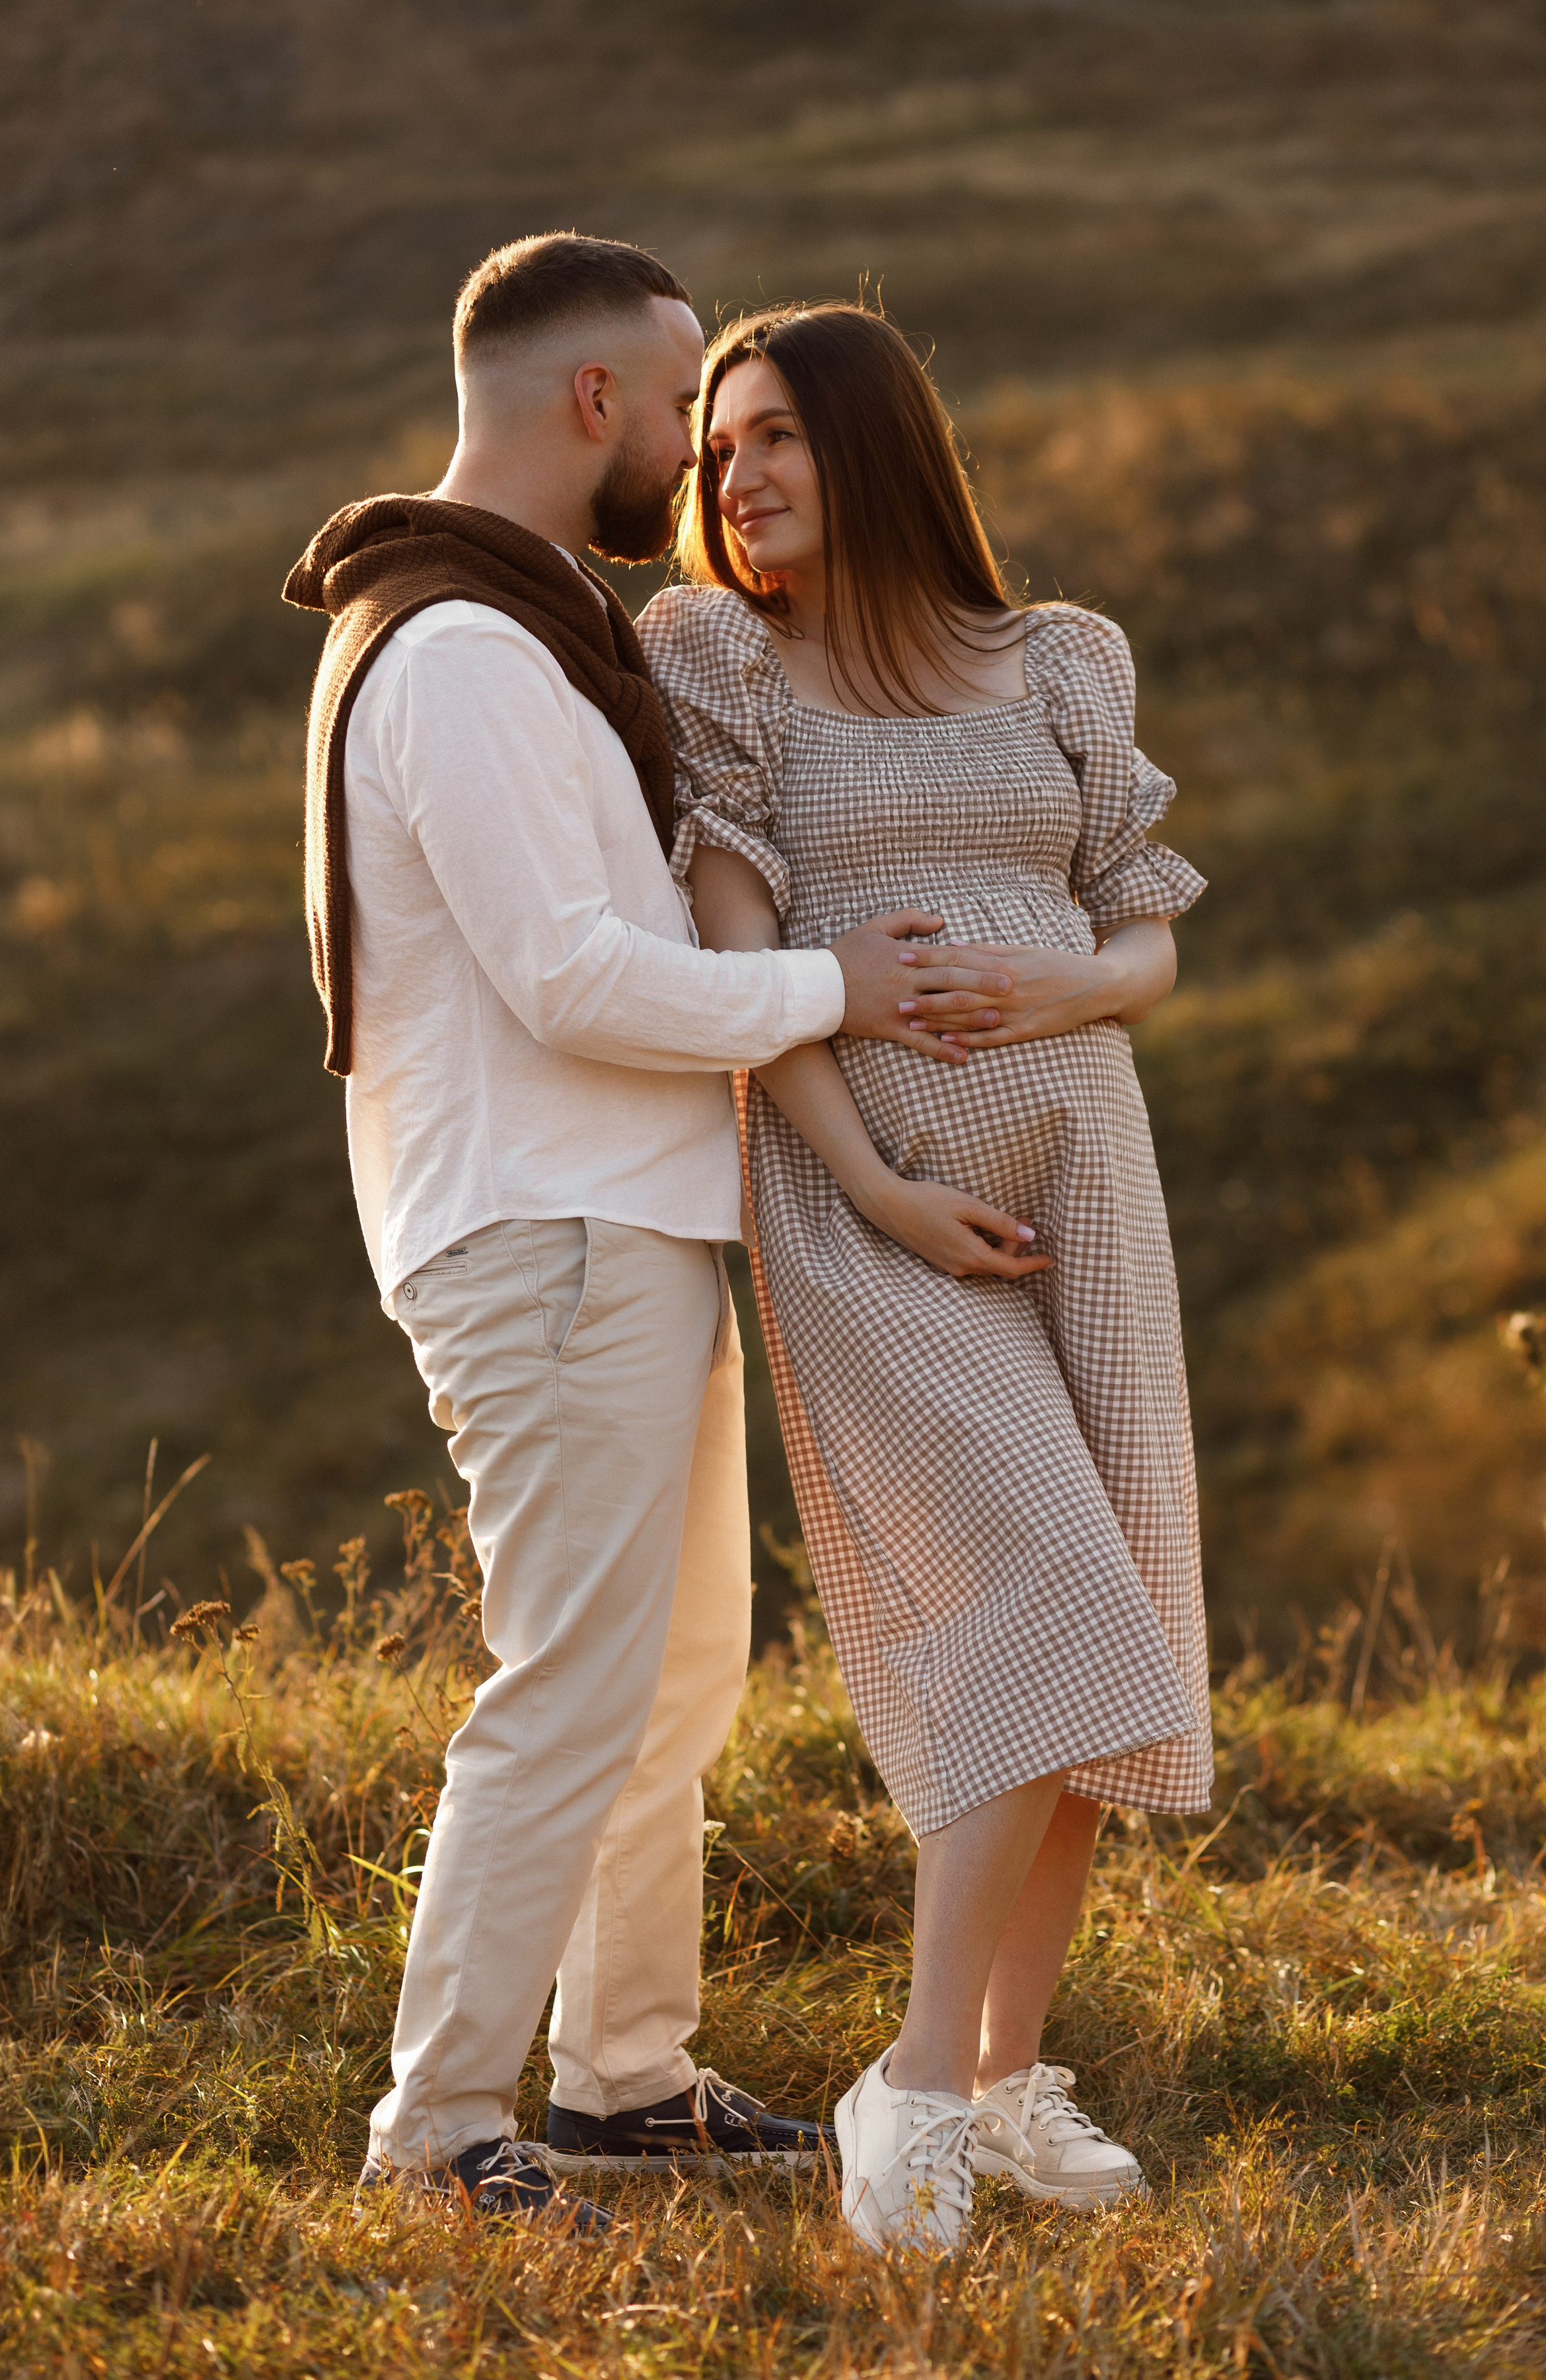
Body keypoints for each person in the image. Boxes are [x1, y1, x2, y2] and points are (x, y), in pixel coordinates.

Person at [281, 238, 1025, 2231]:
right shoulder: (457, 651)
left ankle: (624, 2077)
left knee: (669, 1679)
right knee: (574, 1677)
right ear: (595, 400)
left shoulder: (511, 636)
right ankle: (439, 2123)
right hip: (548, 1229)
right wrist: (829, 989)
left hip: (615, 1223)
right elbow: (572, 979)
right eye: (686, 400)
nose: (699, 447)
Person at [639, 302, 1213, 2252]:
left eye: (777, 435)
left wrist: (1057, 982)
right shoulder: (717, 654)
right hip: (865, 1194)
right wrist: (878, 1187)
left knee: (1110, 1602)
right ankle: (906, 2083)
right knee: (1041, 1584)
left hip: (1079, 1171)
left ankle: (1008, 2078)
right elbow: (739, 971)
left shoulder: (1062, 657)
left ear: (878, 443)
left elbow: (1141, 938)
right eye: (721, 449)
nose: (737, 479)